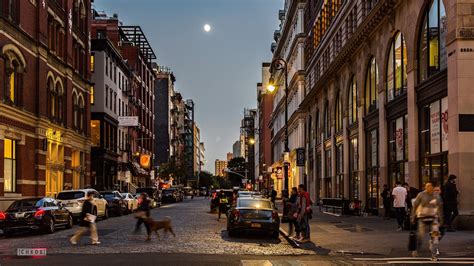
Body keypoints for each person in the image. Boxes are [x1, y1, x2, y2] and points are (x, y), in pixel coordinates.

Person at [411, 182, 444, 261]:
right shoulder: (421, 195)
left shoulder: (437, 196)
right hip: (422, 218)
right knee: (421, 236)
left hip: (433, 219)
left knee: (435, 237)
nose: (427, 187)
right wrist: (413, 217)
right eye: (426, 186)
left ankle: (434, 255)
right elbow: (415, 206)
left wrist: (441, 219)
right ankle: (416, 248)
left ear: (432, 187)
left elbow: (440, 208)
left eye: (429, 186)